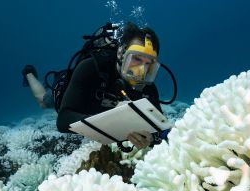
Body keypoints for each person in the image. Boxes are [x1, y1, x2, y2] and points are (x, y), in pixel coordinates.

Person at [23, 22, 166, 149]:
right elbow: (63, 120)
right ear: (122, 53)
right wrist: (115, 120)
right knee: (44, 101)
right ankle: (29, 73)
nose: (140, 70)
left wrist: (152, 138)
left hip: (93, 118)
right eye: (136, 59)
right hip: (73, 94)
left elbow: (161, 129)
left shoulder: (148, 88)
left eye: (148, 63)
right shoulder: (91, 67)